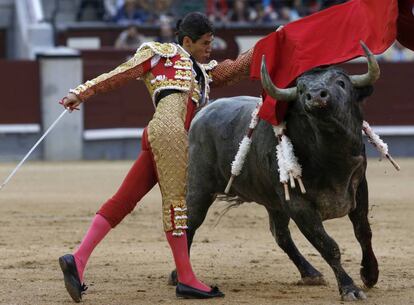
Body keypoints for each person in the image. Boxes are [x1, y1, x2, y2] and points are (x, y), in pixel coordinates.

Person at [59, 11, 252, 302]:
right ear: (187, 40)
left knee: (124, 199)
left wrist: (274, 40)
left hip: (160, 135)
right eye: (205, 43)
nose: (210, 48)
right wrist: (81, 93)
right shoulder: (159, 53)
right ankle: (186, 279)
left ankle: (79, 259)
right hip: (171, 134)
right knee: (176, 206)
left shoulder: (202, 72)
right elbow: (120, 74)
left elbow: (235, 68)